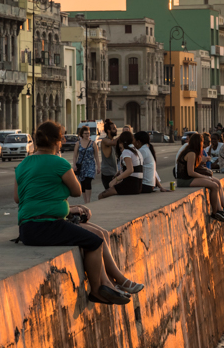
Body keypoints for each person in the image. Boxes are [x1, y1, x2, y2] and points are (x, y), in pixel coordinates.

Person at [14, 121, 134, 306]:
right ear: (58, 142)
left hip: (27, 228)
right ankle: (96, 290)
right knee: (94, 242)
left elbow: (17, 198)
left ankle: (108, 283)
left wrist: (60, 202)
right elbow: (77, 190)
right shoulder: (59, 163)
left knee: (96, 233)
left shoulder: (22, 165)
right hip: (47, 226)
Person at [176, 133, 224, 222]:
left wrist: (201, 161)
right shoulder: (191, 153)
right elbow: (190, 172)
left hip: (188, 178)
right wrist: (205, 177)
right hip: (184, 180)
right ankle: (215, 213)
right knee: (214, 186)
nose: (203, 145)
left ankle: (220, 210)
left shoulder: (191, 151)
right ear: (199, 143)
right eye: (202, 142)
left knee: (217, 181)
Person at [98, 132, 143, 199]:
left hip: (130, 185)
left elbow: (130, 170)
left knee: (102, 195)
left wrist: (115, 180)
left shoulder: (126, 151)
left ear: (122, 142)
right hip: (138, 185)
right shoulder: (137, 151)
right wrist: (119, 173)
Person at [73, 126, 98, 204]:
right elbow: (75, 156)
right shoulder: (78, 143)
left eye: (88, 133)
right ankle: (85, 201)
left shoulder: (93, 143)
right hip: (81, 165)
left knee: (88, 181)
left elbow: (96, 156)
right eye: (86, 133)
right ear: (82, 134)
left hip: (90, 165)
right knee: (83, 183)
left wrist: (99, 167)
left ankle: (88, 201)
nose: (87, 135)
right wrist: (74, 165)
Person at [100, 120, 119, 189]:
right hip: (107, 172)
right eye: (114, 129)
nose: (116, 130)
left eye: (115, 128)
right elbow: (112, 143)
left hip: (114, 172)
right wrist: (124, 134)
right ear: (108, 130)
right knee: (110, 193)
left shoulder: (113, 141)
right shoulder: (105, 140)